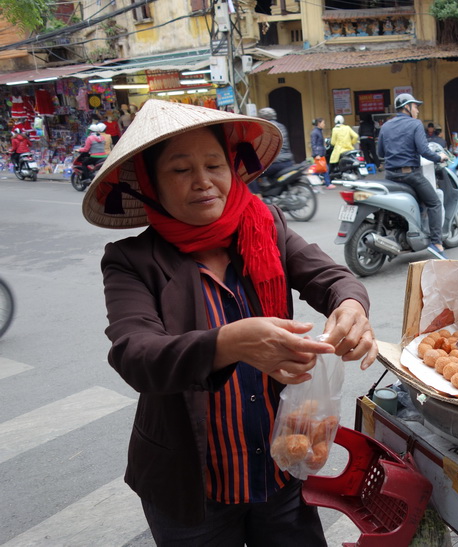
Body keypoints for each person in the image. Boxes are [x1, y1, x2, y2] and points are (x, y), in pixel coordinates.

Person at [80, 99, 378, 545]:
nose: (203, 182)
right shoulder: (131, 260)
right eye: (181, 170)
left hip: (278, 470)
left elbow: (331, 277)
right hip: (192, 486)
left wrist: (351, 308)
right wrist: (227, 344)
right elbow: (135, 354)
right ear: (151, 184)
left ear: (232, 169)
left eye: (214, 165)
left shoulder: (266, 226)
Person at [377, 93, 450, 259]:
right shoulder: (415, 124)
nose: (417, 110)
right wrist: (440, 157)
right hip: (409, 175)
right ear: (407, 107)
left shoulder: (386, 126)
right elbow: (424, 150)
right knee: (434, 202)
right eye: (415, 106)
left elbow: (380, 152)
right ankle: (436, 243)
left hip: (390, 175)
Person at [254, 107, 294, 194]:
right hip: (288, 161)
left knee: (252, 172)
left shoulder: (265, 127)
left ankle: (257, 196)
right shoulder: (281, 126)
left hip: (276, 162)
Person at [310, 117, 334, 189]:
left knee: (320, 169)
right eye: (323, 123)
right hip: (318, 154)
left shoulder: (319, 131)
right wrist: (316, 154)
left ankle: (314, 183)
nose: (324, 124)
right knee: (324, 168)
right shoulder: (315, 132)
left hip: (321, 153)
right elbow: (313, 144)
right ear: (319, 123)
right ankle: (328, 184)